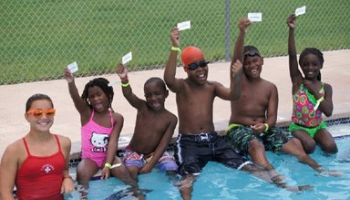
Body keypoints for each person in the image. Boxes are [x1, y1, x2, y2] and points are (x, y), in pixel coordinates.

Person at [163, 27, 306, 200]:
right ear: (185, 69)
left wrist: (237, 77)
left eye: (203, 64)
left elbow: (234, 95)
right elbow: (169, 79)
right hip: (189, 143)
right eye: (193, 66)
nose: (200, 69)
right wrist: (174, 48)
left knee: (248, 166)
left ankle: (284, 185)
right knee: (188, 177)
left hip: (213, 140)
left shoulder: (212, 87)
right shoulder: (182, 87)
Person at [225, 17, 341, 179]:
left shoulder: (270, 87)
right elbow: (237, 59)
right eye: (247, 63)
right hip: (239, 128)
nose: (252, 65)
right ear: (241, 66)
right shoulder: (238, 81)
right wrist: (242, 33)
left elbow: (271, 117)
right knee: (256, 145)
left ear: (262, 61)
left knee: (295, 143)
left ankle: (319, 168)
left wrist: (265, 126)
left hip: (264, 128)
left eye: (255, 60)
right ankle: (274, 175)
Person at [64, 69, 141, 199]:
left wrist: (108, 165)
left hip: (108, 157)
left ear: (109, 94)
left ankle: (138, 194)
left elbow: (113, 141)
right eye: (92, 96)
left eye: (99, 94)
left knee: (125, 174)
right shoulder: (86, 114)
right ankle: (84, 197)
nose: (95, 99)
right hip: (90, 159)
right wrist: (71, 82)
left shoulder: (116, 118)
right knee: (81, 172)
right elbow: (76, 98)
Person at [0, 93, 75, 199]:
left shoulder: (64, 143)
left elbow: (65, 170)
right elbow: (4, 193)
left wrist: (67, 179)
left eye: (49, 112)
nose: (44, 117)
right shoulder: (14, 150)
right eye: (37, 113)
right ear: (27, 117)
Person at [116, 63, 178, 180]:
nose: (153, 98)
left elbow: (163, 145)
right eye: (149, 95)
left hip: (154, 155)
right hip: (134, 152)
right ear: (145, 97)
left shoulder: (171, 119)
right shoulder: (142, 108)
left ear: (166, 94)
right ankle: (136, 194)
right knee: (131, 170)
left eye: (157, 94)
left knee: (172, 169)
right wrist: (124, 79)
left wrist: (150, 165)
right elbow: (128, 95)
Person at [286, 14, 338, 154]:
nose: (310, 68)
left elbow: (328, 112)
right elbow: (291, 56)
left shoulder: (326, 88)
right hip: (299, 127)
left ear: (321, 65)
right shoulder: (298, 83)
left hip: (318, 126)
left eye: (314, 64)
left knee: (331, 147)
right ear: (301, 66)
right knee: (310, 145)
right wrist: (291, 30)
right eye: (305, 64)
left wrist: (315, 92)